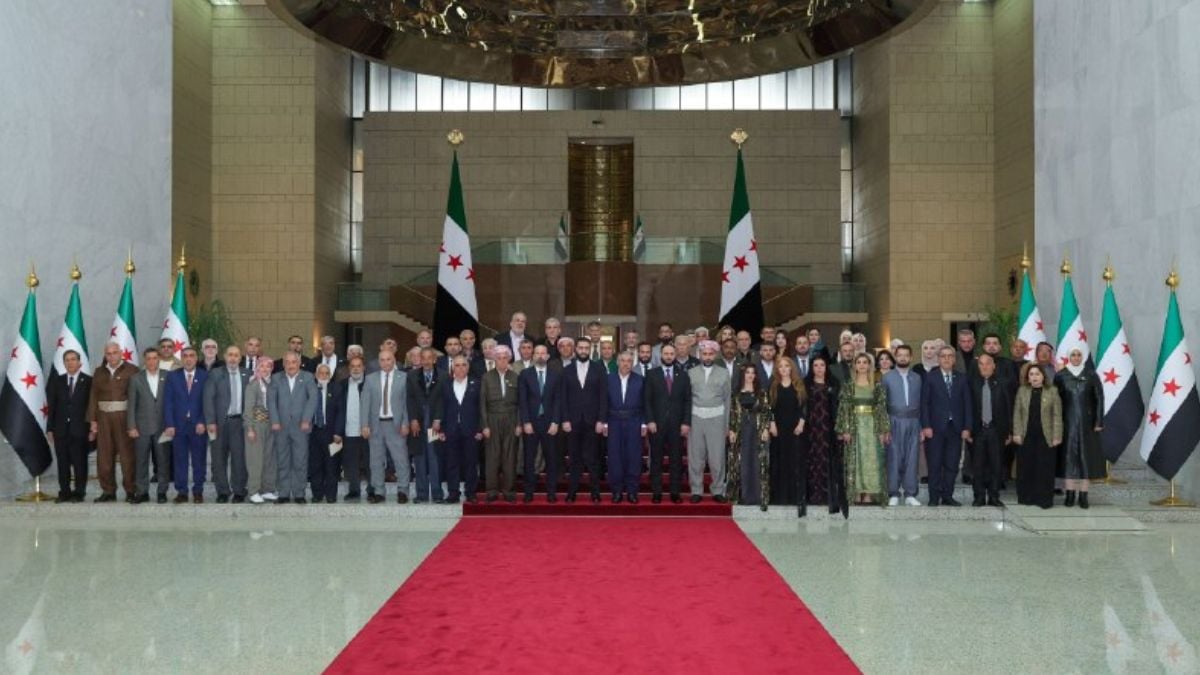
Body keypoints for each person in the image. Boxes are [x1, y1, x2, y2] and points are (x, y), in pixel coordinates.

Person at [85, 341, 140, 502]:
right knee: (104, 456)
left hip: (124, 417)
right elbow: (93, 396)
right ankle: (108, 491)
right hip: (103, 418)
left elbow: (137, 397)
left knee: (127, 456)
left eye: (115, 352)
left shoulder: (132, 370)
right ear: (105, 355)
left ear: (121, 353)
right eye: (108, 354)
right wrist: (93, 420)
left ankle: (131, 490)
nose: (112, 356)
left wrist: (135, 421)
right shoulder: (99, 372)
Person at [920, 346, 973, 507]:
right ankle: (934, 497)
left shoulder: (962, 378)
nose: (947, 359)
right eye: (943, 356)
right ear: (938, 359)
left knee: (952, 464)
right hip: (934, 429)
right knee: (935, 464)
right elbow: (924, 404)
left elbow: (967, 404)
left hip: (955, 429)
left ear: (954, 360)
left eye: (950, 356)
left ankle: (947, 496)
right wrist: (926, 426)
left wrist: (967, 427)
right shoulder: (930, 377)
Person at [836, 354, 889, 506]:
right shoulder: (848, 386)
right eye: (858, 362)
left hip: (872, 427)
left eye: (865, 362)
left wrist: (883, 430)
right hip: (854, 426)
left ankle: (869, 494)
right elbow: (844, 408)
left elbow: (881, 408)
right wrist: (845, 429)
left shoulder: (877, 386)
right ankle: (856, 492)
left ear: (869, 365)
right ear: (854, 366)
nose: (861, 365)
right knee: (855, 459)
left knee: (871, 460)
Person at [1054, 348, 1104, 508]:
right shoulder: (1060, 376)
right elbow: (1055, 401)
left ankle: (1083, 495)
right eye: (1073, 355)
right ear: (1069, 357)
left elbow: (1099, 398)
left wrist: (1099, 421)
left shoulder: (1091, 375)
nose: (1076, 357)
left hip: (1087, 424)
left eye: (1079, 355)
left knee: (1085, 460)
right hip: (1067, 423)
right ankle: (1069, 494)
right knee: (1068, 459)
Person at [561, 336, 607, 503]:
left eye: (586, 348)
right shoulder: (566, 370)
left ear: (590, 350)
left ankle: (595, 492)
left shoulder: (599, 369)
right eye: (580, 348)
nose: (583, 351)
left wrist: (601, 420)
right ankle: (572, 492)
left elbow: (603, 396)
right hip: (572, 422)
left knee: (593, 458)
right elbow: (563, 397)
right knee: (574, 459)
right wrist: (565, 419)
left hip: (593, 421)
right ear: (575, 349)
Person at [203, 345, 251, 503]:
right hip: (219, 424)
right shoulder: (215, 374)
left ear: (240, 358)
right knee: (218, 459)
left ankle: (239, 491)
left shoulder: (247, 374)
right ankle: (222, 491)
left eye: (236, 355)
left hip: (239, 423)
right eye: (230, 355)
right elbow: (208, 398)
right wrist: (210, 421)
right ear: (224, 356)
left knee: (239, 459)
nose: (233, 358)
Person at [360, 350, 410, 504]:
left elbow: (407, 403)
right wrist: (364, 425)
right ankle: (379, 492)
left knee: (401, 459)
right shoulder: (370, 379)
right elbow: (365, 403)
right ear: (378, 362)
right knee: (376, 461)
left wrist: (405, 423)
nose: (385, 362)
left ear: (394, 360)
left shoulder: (404, 377)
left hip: (396, 424)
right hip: (375, 425)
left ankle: (403, 490)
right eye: (382, 360)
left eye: (388, 359)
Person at [644, 344, 691, 504]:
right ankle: (657, 492)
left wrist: (686, 422)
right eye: (666, 353)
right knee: (656, 459)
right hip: (656, 424)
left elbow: (687, 401)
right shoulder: (652, 374)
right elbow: (647, 400)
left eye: (671, 353)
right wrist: (650, 420)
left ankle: (675, 492)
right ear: (661, 355)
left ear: (675, 355)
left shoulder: (683, 375)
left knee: (676, 460)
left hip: (677, 425)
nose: (669, 356)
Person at [268, 351, 318, 504]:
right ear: (283, 364)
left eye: (293, 362)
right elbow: (271, 401)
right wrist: (275, 420)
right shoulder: (276, 378)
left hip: (301, 427)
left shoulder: (307, 377)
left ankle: (299, 493)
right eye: (287, 362)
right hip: (281, 426)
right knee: (282, 460)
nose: (291, 365)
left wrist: (306, 419)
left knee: (300, 461)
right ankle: (283, 493)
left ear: (299, 363)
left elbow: (313, 399)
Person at [1013, 364, 1062, 509]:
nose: (1034, 377)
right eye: (1031, 374)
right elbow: (1017, 413)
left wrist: (1057, 435)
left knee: (1044, 467)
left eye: (1037, 374)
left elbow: (1057, 415)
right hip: (1026, 435)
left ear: (1043, 376)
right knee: (1026, 467)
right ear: (1027, 377)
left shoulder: (1052, 391)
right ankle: (1026, 497)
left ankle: (1044, 499)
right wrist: (1017, 433)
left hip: (1046, 436)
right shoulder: (1022, 391)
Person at [46, 349, 92, 502]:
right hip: (60, 430)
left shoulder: (88, 381)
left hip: (80, 429)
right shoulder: (57, 381)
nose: (70, 362)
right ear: (64, 363)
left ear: (79, 362)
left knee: (80, 463)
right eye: (67, 360)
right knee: (62, 463)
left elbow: (91, 406)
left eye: (73, 359)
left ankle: (79, 492)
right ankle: (64, 492)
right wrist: (50, 428)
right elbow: (51, 406)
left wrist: (92, 427)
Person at [688, 340, 731, 503]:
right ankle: (696, 490)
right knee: (696, 457)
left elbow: (728, 399)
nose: (707, 357)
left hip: (717, 418)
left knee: (717, 457)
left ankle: (718, 490)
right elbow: (687, 399)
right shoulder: (691, 372)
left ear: (715, 355)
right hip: (696, 418)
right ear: (700, 355)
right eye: (704, 354)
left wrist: (727, 424)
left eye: (710, 354)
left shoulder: (724, 373)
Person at [163, 347, 208, 503]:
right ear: (181, 359)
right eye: (185, 356)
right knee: (180, 460)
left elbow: (207, 402)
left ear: (196, 358)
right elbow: (168, 402)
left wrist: (203, 421)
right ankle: (181, 491)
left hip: (198, 426)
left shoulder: (204, 376)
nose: (188, 359)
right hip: (178, 426)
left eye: (191, 356)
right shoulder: (172, 376)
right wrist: (169, 424)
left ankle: (198, 491)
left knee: (199, 460)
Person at [519, 345, 561, 503]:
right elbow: (522, 400)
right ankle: (529, 492)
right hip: (531, 422)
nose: (540, 356)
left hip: (549, 423)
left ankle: (551, 492)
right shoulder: (525, 374)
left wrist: (555, 421)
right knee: (529, 459)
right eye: (537, 353)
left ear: (548, 356)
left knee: (551, 459)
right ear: (533, 356)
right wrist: (526, 422)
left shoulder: (555, 375)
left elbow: (558, 400)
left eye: (543, 353)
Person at [602, 352, 646, 503]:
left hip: (634, 421)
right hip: (614, 421)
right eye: (622, 360)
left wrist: (644, 422)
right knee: (615, 457)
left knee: (633, 457)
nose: (626, 364)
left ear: (632, 363)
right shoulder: (608, 379)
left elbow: (645, 403)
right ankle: (617, 491)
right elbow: (604, 402)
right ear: (617, 362)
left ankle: (632, 491)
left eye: (629, 361)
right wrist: (604, 422)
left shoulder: (640, 380)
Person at [968, 353, 1012, 507]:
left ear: (994, 366)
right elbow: (968, 408)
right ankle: (979, 496)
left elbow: (1009, 408)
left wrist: (1009, 431)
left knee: (996, 465)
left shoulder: (1002, 383)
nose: (984, 366)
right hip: (977, 431)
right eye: (981, 364)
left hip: (996, 430)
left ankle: (994, 496)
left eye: (988, 363)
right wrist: (968, 429)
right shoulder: (972, 383)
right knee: (978, 466)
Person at [438, 355, 483, 504]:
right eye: (457, 365)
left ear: (468, 367)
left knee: (471, 463)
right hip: (450, 430)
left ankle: (471, 493)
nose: (460, 368)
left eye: (464, 365)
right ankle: (453, 493)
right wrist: (441, 430)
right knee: (451, 462)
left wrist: (480, 429)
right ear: (452, 368)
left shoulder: (477, 384)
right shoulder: (445, 384)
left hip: (471, 430)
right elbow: (440, 408)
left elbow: (482, 408)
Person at [882, 345, 923, 507]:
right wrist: (884, 427)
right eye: (900, 355)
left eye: (906, 355)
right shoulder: (887, 378)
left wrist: (921, 426)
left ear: (911, 357)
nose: (903, 358)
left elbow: (922, 403)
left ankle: (910, 494)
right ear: (895, 357)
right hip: (893, 420)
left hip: (913, 421)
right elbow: (882, 405)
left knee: (912, 458)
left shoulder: (917, 378)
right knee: (894, 457)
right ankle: (893, 493)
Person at [728, 365, 772, 510]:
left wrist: (765, 428)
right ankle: (744, 496)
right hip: (741, 431)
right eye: (747, 372)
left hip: (757, 430)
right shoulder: (736, 394)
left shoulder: (762, 393)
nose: (750, 375)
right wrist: (732, 429)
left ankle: (759, 497)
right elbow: (732, 413)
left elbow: (766, 412)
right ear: (743, 375)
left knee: (758, 462)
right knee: (742, 462)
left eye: (753, 373)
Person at [481, 346, 520, 503]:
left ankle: (509, 491)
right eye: (499, 358)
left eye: (505, 357)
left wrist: (519, 423)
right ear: (494, 360)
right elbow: (482, 403)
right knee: (492, 457)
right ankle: (492, 491)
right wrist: (484, 425)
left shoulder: (515, 376)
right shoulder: (486, 377)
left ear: (509, 359)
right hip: (492, 419)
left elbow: (520, 403)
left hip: (511, 419)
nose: (502, 360)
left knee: (510, 457)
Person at [127, 347, 166, 503]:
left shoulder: (168, 376)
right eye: (148, 358)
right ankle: (142, 492)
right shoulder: (136, 379)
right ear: (145, 360)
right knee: (141, 461)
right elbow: (131, 405)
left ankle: (162, 492)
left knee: (163, 461)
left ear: (159, 359)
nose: (151, 361)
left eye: (154, 358)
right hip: (141, 427)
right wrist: (131, 426)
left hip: (163, 427)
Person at [767, 358, 807, 513]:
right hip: (778, 429)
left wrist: (801, 424)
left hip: (795, 429)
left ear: (791, 368)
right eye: (780, 366)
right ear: (777, 369)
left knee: (794, 461)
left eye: (786, 366)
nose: (784, 369)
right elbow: (769, 407)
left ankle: (795, 497)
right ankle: (779, 497)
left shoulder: (799, 385)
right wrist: (771, 424)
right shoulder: (773, 386)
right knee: (779, 461)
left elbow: (804, 406)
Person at [406, 348, 445, 503]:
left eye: (430, 358)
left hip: (434, 421)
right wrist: (413, 419)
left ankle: (437, 494)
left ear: (434, 359)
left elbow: (444, 399)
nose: (427, 361)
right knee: (420, 458)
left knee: (434, 457)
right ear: (420, 360)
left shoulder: (443, 375)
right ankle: (421, 494)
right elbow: (410, 399)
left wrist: (438, 419)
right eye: (424, 358)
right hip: (418, 422)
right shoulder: (412, 375)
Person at [804, 355, 842, 514]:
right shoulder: (805, 384)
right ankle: (813, 496)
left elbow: (839, 407)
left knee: (827, 461)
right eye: (816, 365)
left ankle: (827, 495)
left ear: (826, 367)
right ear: (811, 368)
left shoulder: (834, 383)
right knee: (813, 461)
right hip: (811, 429)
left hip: (828, 429)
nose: (819, 368)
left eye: (822, 365)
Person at [332, 355, 369, 502]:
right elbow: (337, 410)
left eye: (358, 366)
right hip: (348, 431)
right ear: (349, 369)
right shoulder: (341, 385)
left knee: (369, 463)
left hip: (367, 430)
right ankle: (354, 491)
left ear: (364, 368)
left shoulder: (370, 383)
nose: (356, 369)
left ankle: (373, 490)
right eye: (353, 366)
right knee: (350, 464)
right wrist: (338, 431)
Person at [243, 357, 277, 503]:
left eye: (268, 367)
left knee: (269, 459)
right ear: (257, 368)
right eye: (262, 366)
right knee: (255, 459)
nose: (265, 369)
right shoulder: (253, 384)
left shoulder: (271, 384)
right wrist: (249, 428)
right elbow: (248, 408)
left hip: (270, 425)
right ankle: (253, 490)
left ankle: (267, 489)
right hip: (256, 425)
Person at [307, 364, 339, 503]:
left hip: (331, 433)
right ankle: (317, 494)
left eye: (327, 373)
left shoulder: (336, 389)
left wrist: (338, 432)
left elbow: (341, 412)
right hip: (313, 432)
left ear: (330, 376)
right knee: (315, 464)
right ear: (316, 375)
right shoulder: (309, 389)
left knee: (331, 465)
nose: (324, 376)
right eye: (321, 373)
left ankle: (331, 495)